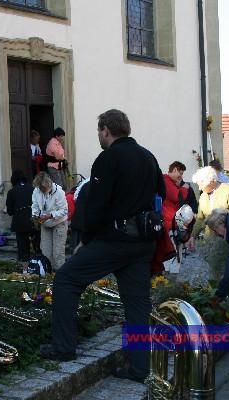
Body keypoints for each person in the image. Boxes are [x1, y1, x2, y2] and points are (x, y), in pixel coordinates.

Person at [40, 109, 165, 385]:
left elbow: (97, 204)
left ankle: (63, 347)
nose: (98, 135)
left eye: (99, 131)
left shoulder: (108, 158)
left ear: (106, 130)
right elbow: (162, 193)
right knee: (137, 303)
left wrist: (85, 238)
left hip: (116, 239)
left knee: (66, 279)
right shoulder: (148, 156)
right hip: (143, 240)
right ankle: (140, 368)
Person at [188, 166, 229, 248]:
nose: (199, 188)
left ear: (211, 181)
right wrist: (193, 236)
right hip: (210, 241)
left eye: (201, 185)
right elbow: (200, 219)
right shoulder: (203, 196)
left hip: (228, 240)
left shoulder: (228, 190)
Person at [150, 161, 190, 274]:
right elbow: (177, 197)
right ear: (175, 169)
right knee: (172, 253)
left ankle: (168, 275)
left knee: (173, 253)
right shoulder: (166, 181)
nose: (181, 176)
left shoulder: (168, 182)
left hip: (170, 223)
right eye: (180, 173)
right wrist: (184, 188)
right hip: (169, 224)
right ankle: (170, 277)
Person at [31, 171, 68, 271]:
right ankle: (48, 273)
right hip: (45, 224)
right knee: (46, 252)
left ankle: (60, 274)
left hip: (59, 223)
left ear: (48, 184)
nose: (41, 190)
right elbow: (35, 205)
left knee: (58, 253)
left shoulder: (59, 191)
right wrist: (35, 215)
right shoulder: (36, 190)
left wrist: (51, 215)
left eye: (42, 188)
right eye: (39, 188)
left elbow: (64, 210)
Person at [6, 170, 39, 267]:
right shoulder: (33, 189)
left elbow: (9, 211)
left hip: (19, 222)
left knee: (23, 249)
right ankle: (40, 268)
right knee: (37, 247)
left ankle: (25, 270)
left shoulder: (11, 192)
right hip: (33, 221)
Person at [68, 178, 90, 253]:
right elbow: (71, 210)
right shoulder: (70, 197)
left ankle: (74, 250)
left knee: (76, 237)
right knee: (77, 238)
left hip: (77, 219)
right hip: (80, 219)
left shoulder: (84, 185)